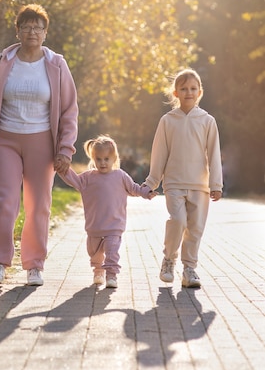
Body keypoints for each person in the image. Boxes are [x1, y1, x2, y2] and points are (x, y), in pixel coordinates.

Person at [0, 4, 78, 286]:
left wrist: (65, 149)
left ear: (45, 33)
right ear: (17, 31)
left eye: (38, 27)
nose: (32, 31)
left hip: (42, 141)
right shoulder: (3, 61)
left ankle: (34, 266)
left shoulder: (56, 64)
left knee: (39, 204)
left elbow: (69, 110)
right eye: (27, 26)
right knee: (5, 201)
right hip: (5, 139)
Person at [143, 68, 223, 288]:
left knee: (195, 228)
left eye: (193, 88)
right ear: (176, 92)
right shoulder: (168, 121)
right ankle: (169, 259)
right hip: (175, 183)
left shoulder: (207, 121)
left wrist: (216, 184)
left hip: (201, 185)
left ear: (199, 92)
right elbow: (159, 153)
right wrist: (152, 182)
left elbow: (214, 153)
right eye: (184, 88)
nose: (189, 92)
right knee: (178, 221)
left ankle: (190, 270)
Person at [58, 135, 156, 289]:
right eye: (98, 159)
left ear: (114, 158)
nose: (102, 163)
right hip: (94, 226)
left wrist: (146, 192)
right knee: (94, 254)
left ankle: (111, 275)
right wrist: (62, 169)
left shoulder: (120, 176)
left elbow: (134, 188)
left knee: (112, 252)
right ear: (93, 158)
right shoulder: (88, 178)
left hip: (114, 226)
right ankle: (98, 270)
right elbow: (73, 180)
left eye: (106, 159)